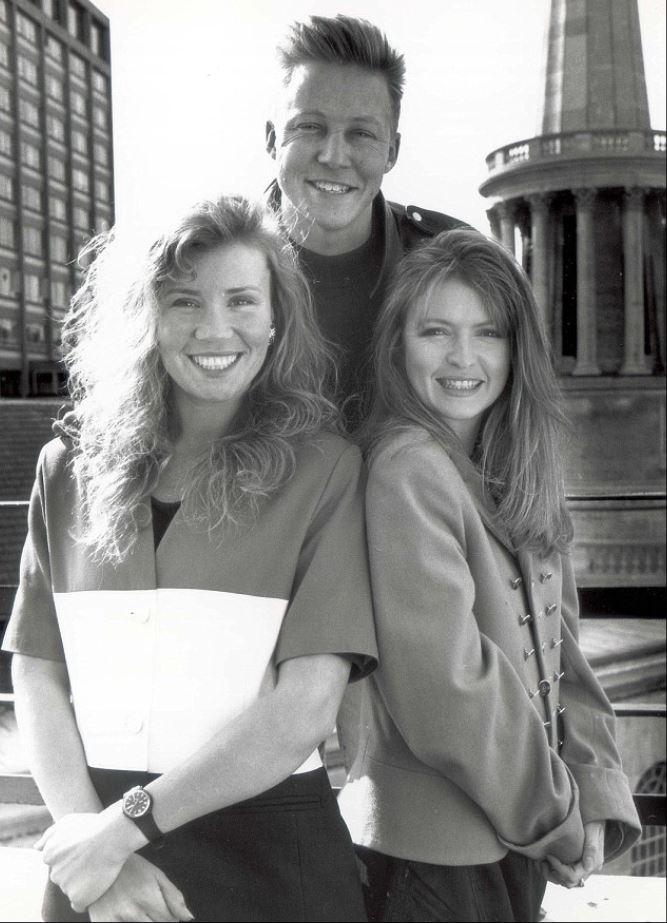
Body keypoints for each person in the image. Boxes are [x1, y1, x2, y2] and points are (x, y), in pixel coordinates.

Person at [2, 195, 376, 922]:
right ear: (146, 317)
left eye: (241, 300)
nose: (215, 328)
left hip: (269, 861)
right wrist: (94, 848)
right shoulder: (66, 468)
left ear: (276, 317)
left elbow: (304, 704)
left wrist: (120, 829)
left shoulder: (325, 470)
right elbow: (36, 670)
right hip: (97, 868)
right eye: (183, 301)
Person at [336, 229, 642, 922]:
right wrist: (558, 814)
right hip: (430, 860)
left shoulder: (522, 467)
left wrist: (591, 790)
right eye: (435, 331)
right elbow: (446, 687)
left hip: (516, 846)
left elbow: (563, 646)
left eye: (488, 332)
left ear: (516, 347)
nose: (463, 358)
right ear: (396, 345)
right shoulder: (404, 467)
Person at [266, 14, 468, 424]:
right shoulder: (208, 265)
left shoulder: (455, 261)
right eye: (309, 126)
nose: (334, 156)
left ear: (391, 151)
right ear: (272, 139)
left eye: (362, 133)